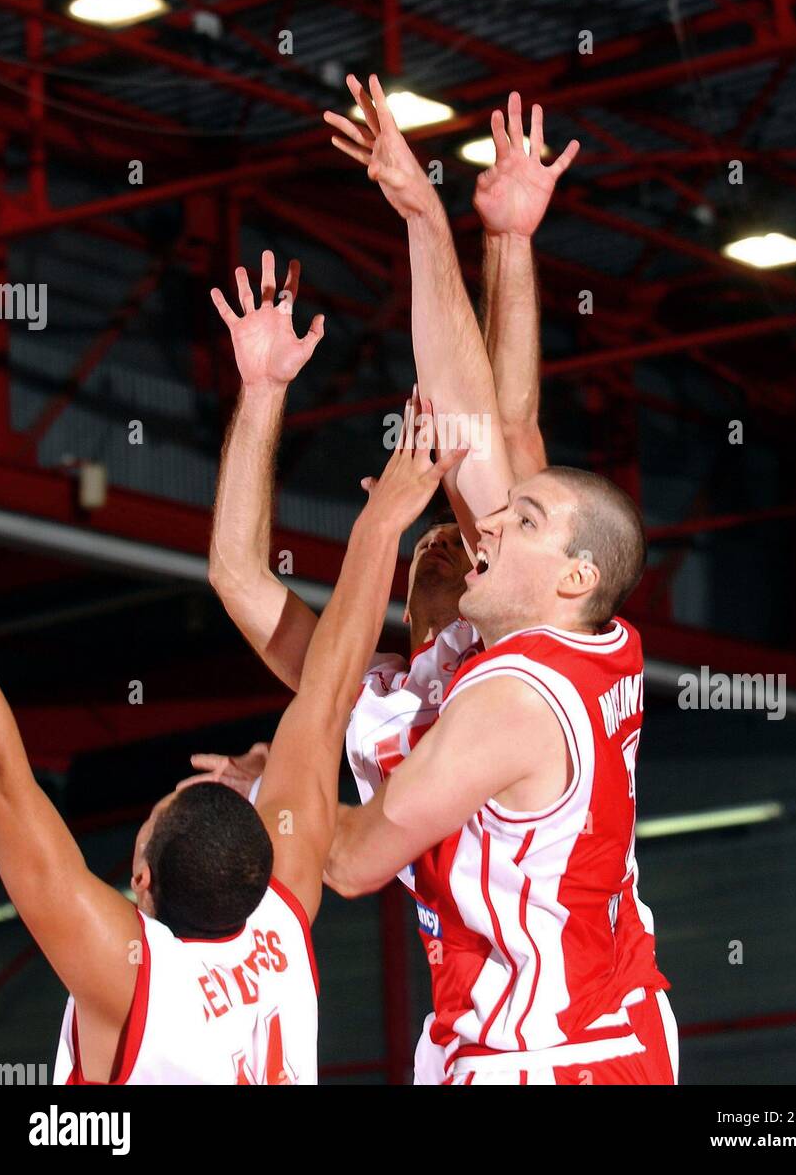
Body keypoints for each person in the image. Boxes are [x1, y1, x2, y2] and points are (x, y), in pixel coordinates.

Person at [320, 76, 676, 1085]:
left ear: (567, 574)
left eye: (513, 522)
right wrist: (446, 224)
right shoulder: (586, 631)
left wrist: (257, 813)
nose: (478, 527)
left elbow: (346, 860)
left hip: (554, 1053)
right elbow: (496, 427)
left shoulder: (508, 695)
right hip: (571, 1021)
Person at [0, 369, 456, 1084]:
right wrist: (381, 524)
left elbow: (324, 696)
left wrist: (384, 522)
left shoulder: (166, 961)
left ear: (143, 878)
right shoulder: (273, 930)